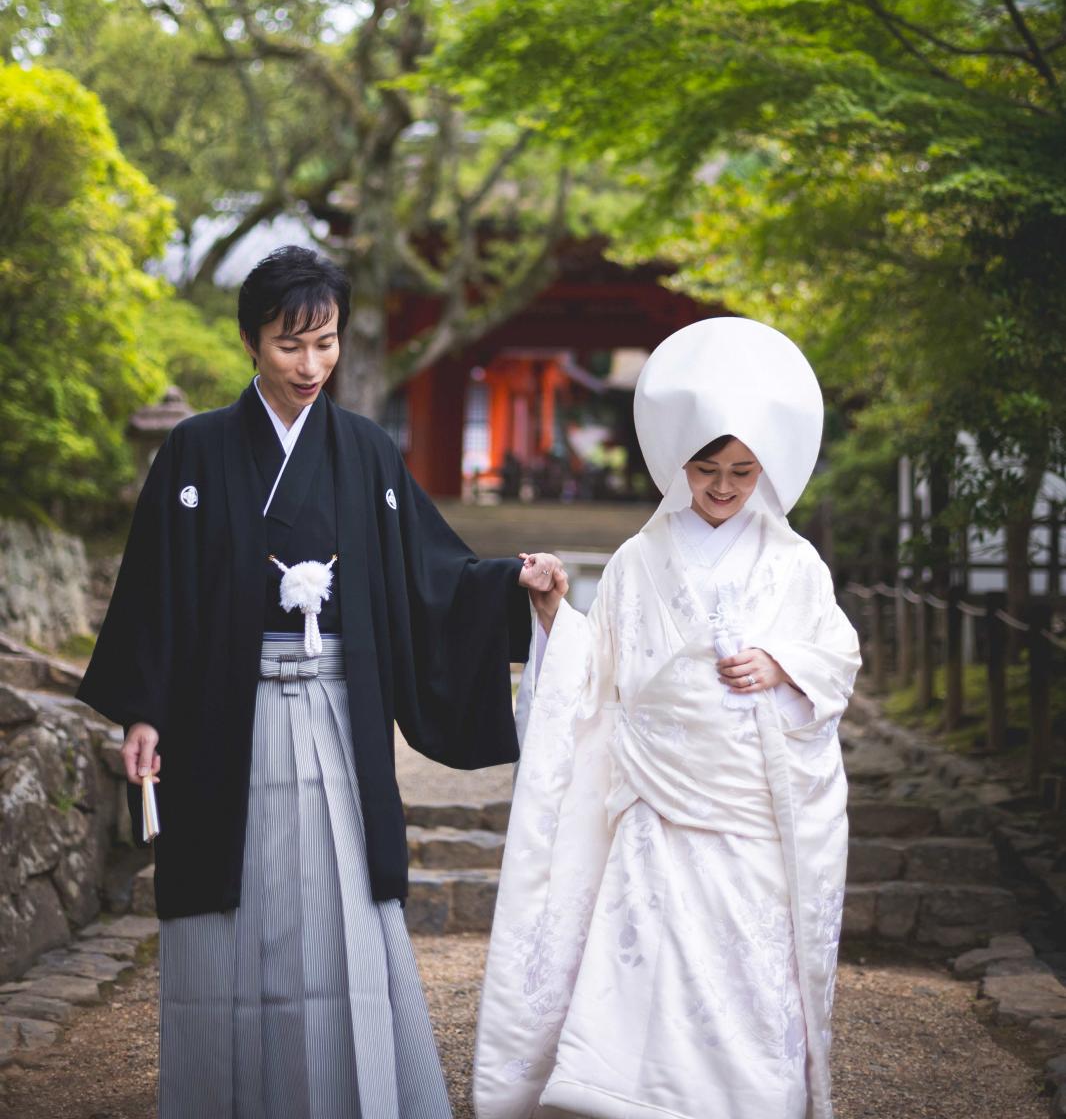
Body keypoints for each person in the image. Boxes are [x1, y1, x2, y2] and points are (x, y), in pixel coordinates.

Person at [77, 245, 566, 1119]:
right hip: (221, 717)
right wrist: (143, 711)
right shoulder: (193, 452)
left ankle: (350, 1091)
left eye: (327, 344)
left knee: (340, 906)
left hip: (338, 713)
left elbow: (429, 572)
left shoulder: (365, 452)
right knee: (227, 907)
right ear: (250, 342)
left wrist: (507, 585)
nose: (311, 367)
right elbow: (156, 589)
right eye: (289, 346)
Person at [474, 317, 861, 1119]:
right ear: (680, 463)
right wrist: (553, 610)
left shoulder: (796, 563)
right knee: (646, 957)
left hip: (751, 800)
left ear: (768, 469)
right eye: (708, 468)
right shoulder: (637, 560)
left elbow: (837, 656)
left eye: (743, 471)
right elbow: (597, 675)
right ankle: (631, 1097)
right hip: (655, 799)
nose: (723, 487)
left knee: (747, 968)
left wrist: (781, 662)